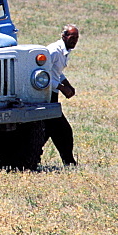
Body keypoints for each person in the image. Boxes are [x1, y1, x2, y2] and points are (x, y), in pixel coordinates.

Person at [45, 24, 80, 166]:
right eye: (72, 37)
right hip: (45, 95)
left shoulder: (64, 51)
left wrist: (67, 84)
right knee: (63, 130)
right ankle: (69, 162)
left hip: (52, 94)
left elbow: (56, 72)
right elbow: (42, 75)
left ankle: (29, 158)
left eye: (77, 38)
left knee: (49, 129)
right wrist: (61, 87)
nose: (75, 41)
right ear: (64, 36)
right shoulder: (53, 51)